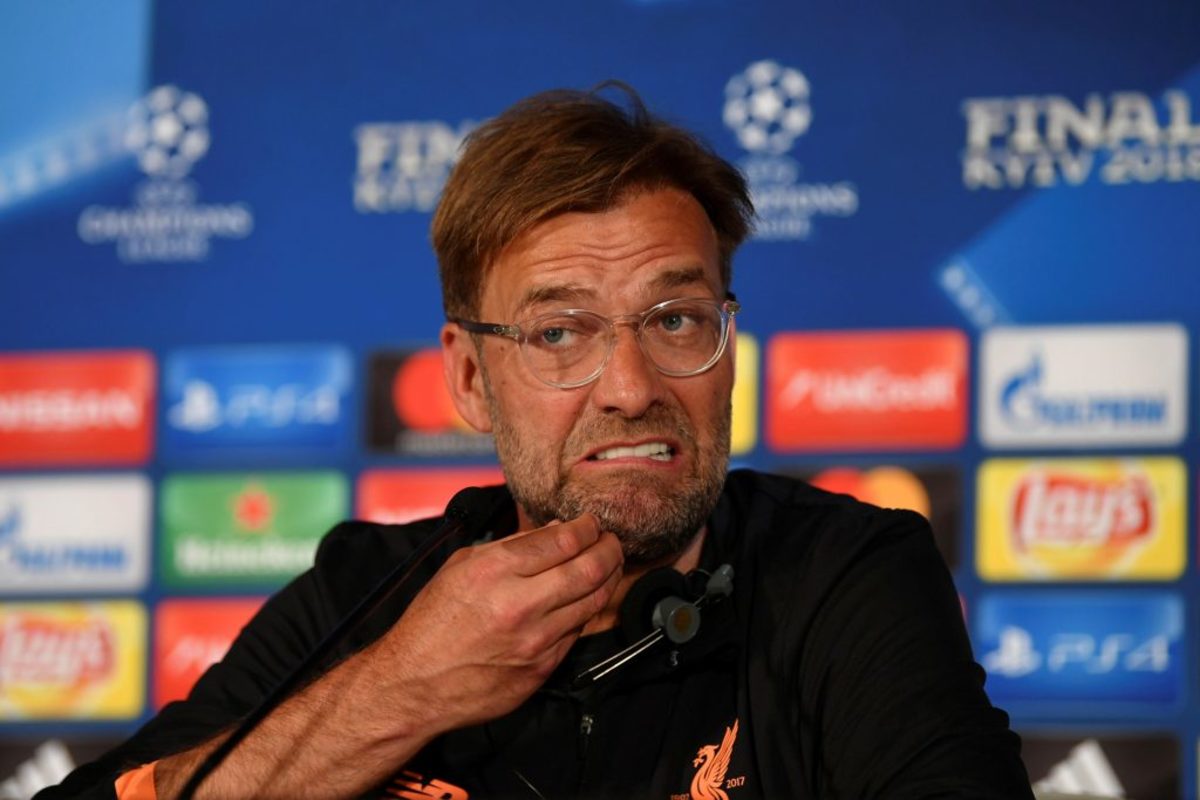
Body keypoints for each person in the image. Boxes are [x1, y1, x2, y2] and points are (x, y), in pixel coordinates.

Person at [41, 85, 1033, 800]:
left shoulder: (843, 572)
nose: (633, 388)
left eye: (676, 319)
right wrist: (398, 690)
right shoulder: (368, 595)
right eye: (560, 333)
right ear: (471, 379)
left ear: (729, 346)